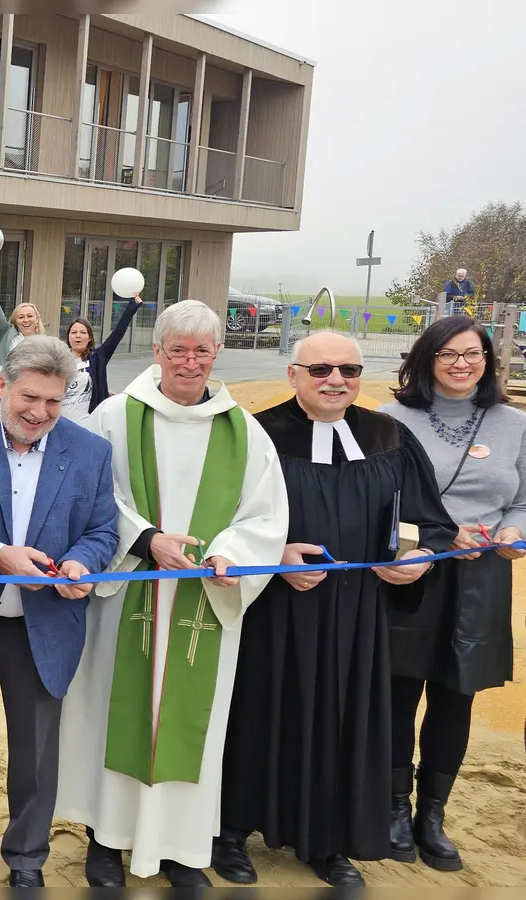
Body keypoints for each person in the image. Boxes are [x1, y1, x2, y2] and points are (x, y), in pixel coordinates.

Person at [58, 300, 288, 887]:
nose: (190, 362)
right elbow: (90, 494)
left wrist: (230, 556)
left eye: (202, 350)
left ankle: (182, 851)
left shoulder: (245, 431)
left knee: (192, 726)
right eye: (178, 350)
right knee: (111, 715)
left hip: (203, 601)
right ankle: (105, 841)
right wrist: (148, 540)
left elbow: (265, 515)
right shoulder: (115, 416)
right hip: (125, 598)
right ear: (157, 351)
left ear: (217, 353)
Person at [215, 332, 456, 886]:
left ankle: (325, 841)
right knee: (258, 714)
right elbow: (222, 519)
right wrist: (273, 556)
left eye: (348, 370)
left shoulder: (388, 435)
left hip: (357, 615)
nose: (336, 380)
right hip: (274, 611)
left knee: (342, 721)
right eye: (321, 369)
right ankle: (230, 833)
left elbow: (433, 523)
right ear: (293, 374)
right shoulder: (257, 434)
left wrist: (419, 557)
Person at [0, 337, 119, 884]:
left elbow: (103, 530)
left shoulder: (91, 451)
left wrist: (82, 562)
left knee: (35, 743)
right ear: (3, 385)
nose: (40, 412)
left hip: (45, 621)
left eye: (54, 401)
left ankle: (28, 854)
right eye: (29, 397)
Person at [378, 317, 526, 873]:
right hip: (415, 570)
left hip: (482, 577)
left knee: (456, 694)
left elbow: (522, 499)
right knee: (399, 690)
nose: (461, 364)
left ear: (488, 360)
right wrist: (439, 534)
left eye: (473, 354)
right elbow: (382, 501)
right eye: (448, 354)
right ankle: (395, 808)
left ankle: (432, 815)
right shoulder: (391, 420)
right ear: (426, 359)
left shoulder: (514, 424)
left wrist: (512, 531)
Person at [62, 291, 146, 419]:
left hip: (88, 421)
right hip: (61, 419)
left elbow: (117, 333)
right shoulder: (59, 359)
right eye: (74, 332)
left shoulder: (97, 357)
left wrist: (131, 307)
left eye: (83, 332)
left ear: (90, 338)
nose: (78, 336)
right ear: (68, 337)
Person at [0, 256, 44, 366]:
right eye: (21, 317)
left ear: (37, 319)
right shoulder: (6, 334)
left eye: (30, 316)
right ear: (15, 321)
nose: (26, 320)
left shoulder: (46, 342)